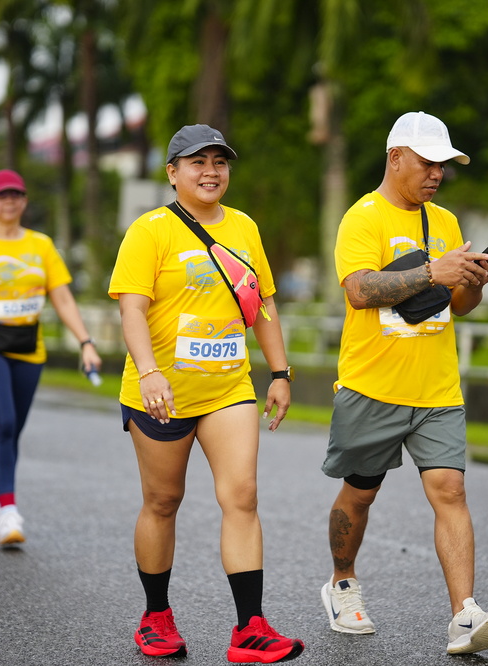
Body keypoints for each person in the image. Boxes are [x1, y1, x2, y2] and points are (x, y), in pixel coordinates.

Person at [108, 124, 304, 663]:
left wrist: (280, 373)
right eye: (198, 162)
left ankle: (250, 629)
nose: (211, 172)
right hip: (161, 392)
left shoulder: (244, 227)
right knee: (162, 501)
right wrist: (149, 371)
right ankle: (156, 616)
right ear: (172, 173)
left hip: (228, 388)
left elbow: (262, 304)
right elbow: (131, 309)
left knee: (242, 496)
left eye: (220, 162)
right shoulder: (149, 231)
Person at [319, 111, 488, 655]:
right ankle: (342, 583)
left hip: (437, 389)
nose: (437, 174)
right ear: (396, 157)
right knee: (360, 493)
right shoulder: (363, 218)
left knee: (451, 490)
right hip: (372, 387)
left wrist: (475, 280)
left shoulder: (444, 221)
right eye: (428, 163)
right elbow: (359, 291)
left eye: (443, 166)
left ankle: (465, 615)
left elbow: (459, 304)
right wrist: (433, 271)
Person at [0, 169, 102, 547]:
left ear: (25, 201)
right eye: (1, 195)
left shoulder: (41, 246)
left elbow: (63, 298)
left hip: (29, 346)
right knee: (3, 423)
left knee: (11, 431)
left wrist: (86, 342)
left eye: (16, 194)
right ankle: (8, 510)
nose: (9, 201)